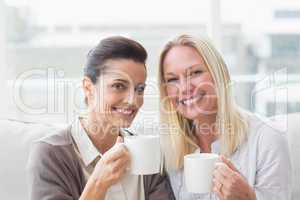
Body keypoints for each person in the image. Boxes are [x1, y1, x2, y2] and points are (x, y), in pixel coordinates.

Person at [27, 36, 175, 200]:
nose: (133, 100)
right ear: (88, 88)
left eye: (139, 89)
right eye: (119, 86)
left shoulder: (145, 150)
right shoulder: (51, 154)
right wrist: (98, 183)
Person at [158, 34, 291, 200]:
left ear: (219, 75)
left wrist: (248, 198)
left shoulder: (267, 138)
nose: (184, 87)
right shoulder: (167, 148)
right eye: (172, 79)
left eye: (195, 73)